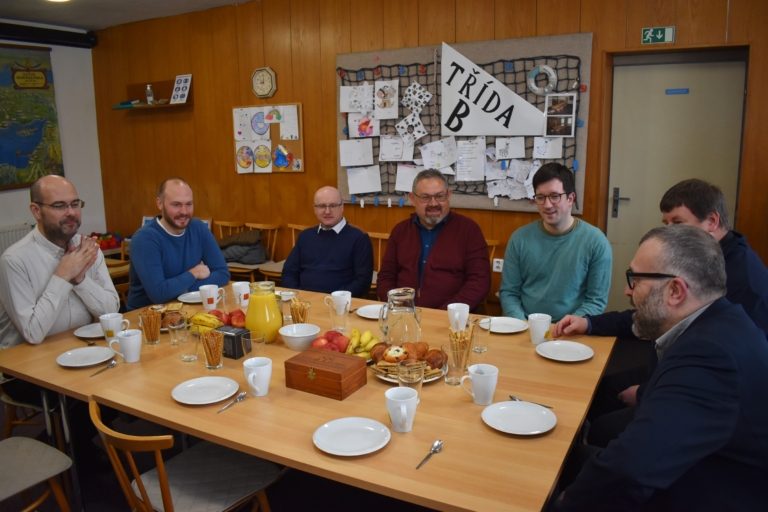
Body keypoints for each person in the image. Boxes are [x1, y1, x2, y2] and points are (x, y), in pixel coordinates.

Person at [554, 225, 768, 511]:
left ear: (676, 291)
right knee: (568, 457)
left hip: (704, 492)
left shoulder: (710, 357)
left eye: (635, 279)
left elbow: (630, 469)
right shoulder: (720, 322)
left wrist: (561, 503)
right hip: (698, 472)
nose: (627, 291)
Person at [554, 178, 768, 339]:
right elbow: (652, 310)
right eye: (666, 223)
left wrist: (643, 390)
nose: (669, 232)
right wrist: (589, 323)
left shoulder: (745, 281)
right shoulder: (703, 257)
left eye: (677, 223)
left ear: (712, 221)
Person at [0, 175, 119, 350]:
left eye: (75, 204)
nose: (71, 212)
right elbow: (33, 333)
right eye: (59, 206)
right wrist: (62, 276)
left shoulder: (87, 248)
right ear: (36, 211)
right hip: (28, 366)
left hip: (84, 351)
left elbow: (111, 313)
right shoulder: (14, 260)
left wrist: (80, 280)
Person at [499, 163, 612, 321]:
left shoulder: (596, 242)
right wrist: (522, 325)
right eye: (540, 197)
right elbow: (509, 293)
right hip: (525, 327)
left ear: (570, 198)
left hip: (572, 330)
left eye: (554, 196)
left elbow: (596, 301)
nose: (547, 205)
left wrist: (566, 326)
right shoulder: (519, 239)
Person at [377, 169, 490, 310]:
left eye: (440, 196)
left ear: (448, 195)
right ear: (412, 199)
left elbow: (479, 282)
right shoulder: (400, 231)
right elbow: (386, 277)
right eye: (425, 197)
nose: (433, 203)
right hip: (402, 314)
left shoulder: (469, 230)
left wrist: (447, 312)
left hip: (450, 319)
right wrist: (397, 306)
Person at [127, 178, 229, 310]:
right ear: (159, 203)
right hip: (146, 317)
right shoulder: (144, 239)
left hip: (187, 309)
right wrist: (194, 274)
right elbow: (159, 294)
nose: (184, 212)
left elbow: (223, 274)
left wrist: (179, 289)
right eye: (176, 205)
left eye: (189, 204)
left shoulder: (198, 228)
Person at [282, 186, 373, 297]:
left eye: (333, 205)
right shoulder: (305, 236)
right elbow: (289, 273)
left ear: (342, 207)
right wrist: (298, 296)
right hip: (303, 302)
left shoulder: (359, 238)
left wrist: (334, 300)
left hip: (339, 305)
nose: (327, 211)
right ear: (314, 209)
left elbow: (362, 282)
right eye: (321, 206)